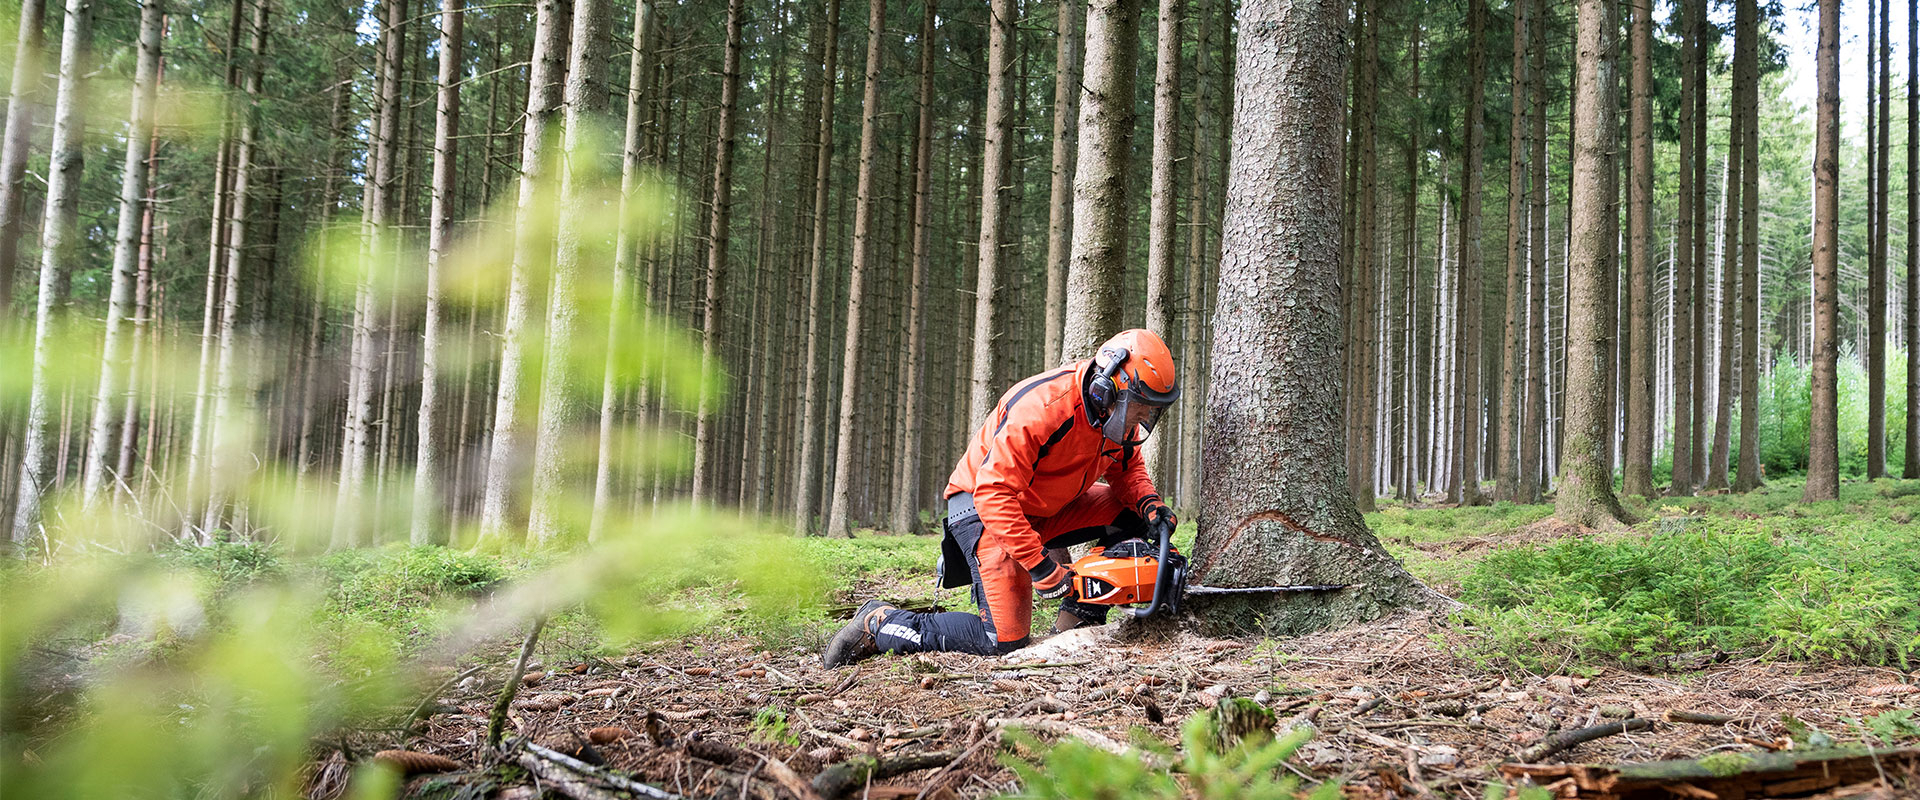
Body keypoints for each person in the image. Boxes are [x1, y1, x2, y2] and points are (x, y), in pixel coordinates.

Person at [824, 329, 1181, 666]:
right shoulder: (1043, 409)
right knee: (1001, 640)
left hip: (1045, 505)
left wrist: (1149, 503)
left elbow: (1127, 470)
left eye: (1151, 407)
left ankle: (1080, 619)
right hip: (983, 510)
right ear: (1109, 388)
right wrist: (1041, 566)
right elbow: (993, 494)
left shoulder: (1115, 419)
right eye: (1141, 404)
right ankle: (880, 623)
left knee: (1132, 514)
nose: (1145, 415)